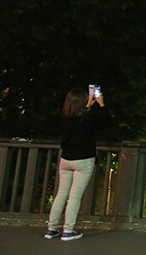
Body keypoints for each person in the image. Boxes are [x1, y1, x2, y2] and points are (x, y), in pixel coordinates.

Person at [46, 86, 107, 241]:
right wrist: (101, 104)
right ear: (83, 101)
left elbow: (78, 119)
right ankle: (68, 230)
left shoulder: (64, 118)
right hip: (83, 160)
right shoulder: (88, 120)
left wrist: (87, 107)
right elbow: (105, 122)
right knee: (75, 196)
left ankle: (52, 229)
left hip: (66, 159)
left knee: (61, 194)